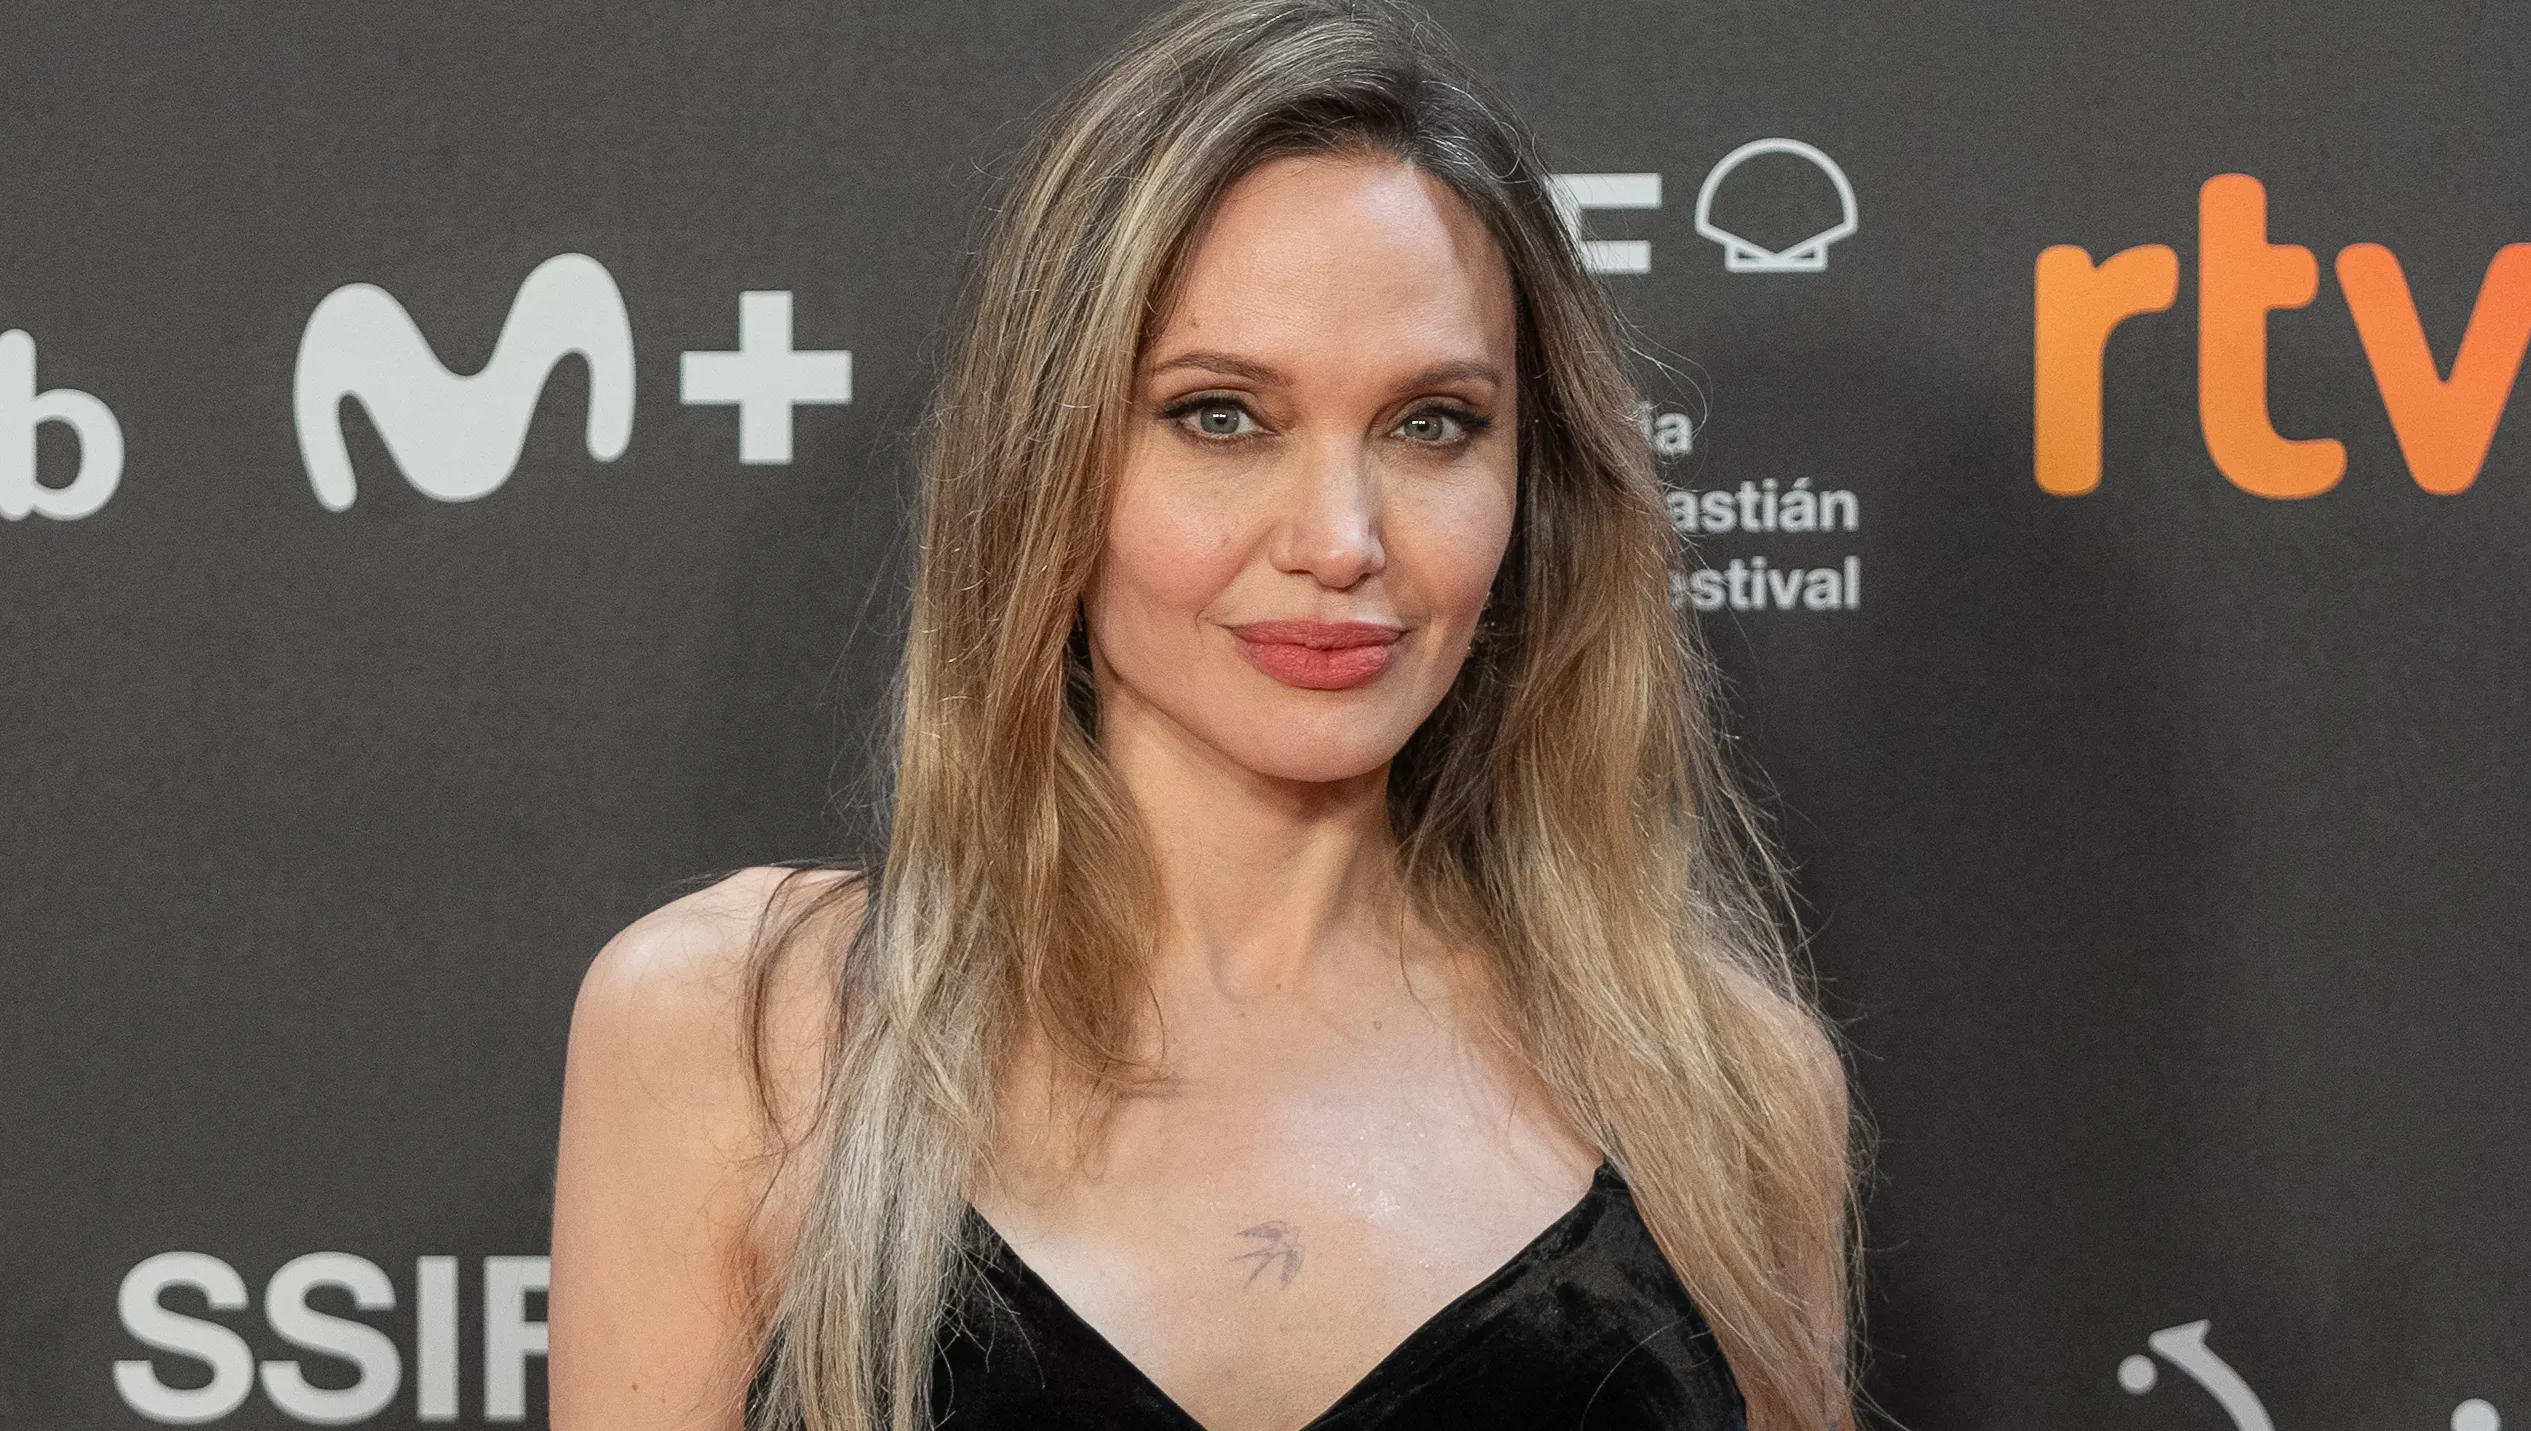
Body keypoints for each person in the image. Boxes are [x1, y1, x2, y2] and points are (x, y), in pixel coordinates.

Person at [548, 2, 1858, 1428]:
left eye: (1431, 423)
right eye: (1221, 415)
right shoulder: (734, 1034)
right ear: (1048, 459)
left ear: (1529, 486)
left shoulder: (1719, 1087)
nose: (1341, 537)